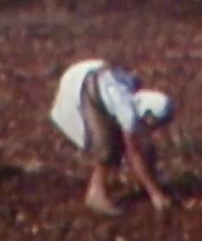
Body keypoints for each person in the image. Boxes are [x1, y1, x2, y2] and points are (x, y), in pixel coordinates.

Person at [50, 59, 174, 216]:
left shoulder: (134, 92)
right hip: (84, 83)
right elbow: (134, 153)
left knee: (116, 139)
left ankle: (101, 189)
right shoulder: (127, 111)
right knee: (107, 145)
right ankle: (96, 194)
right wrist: (155, 194)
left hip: (94, 74)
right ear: (148, 115)